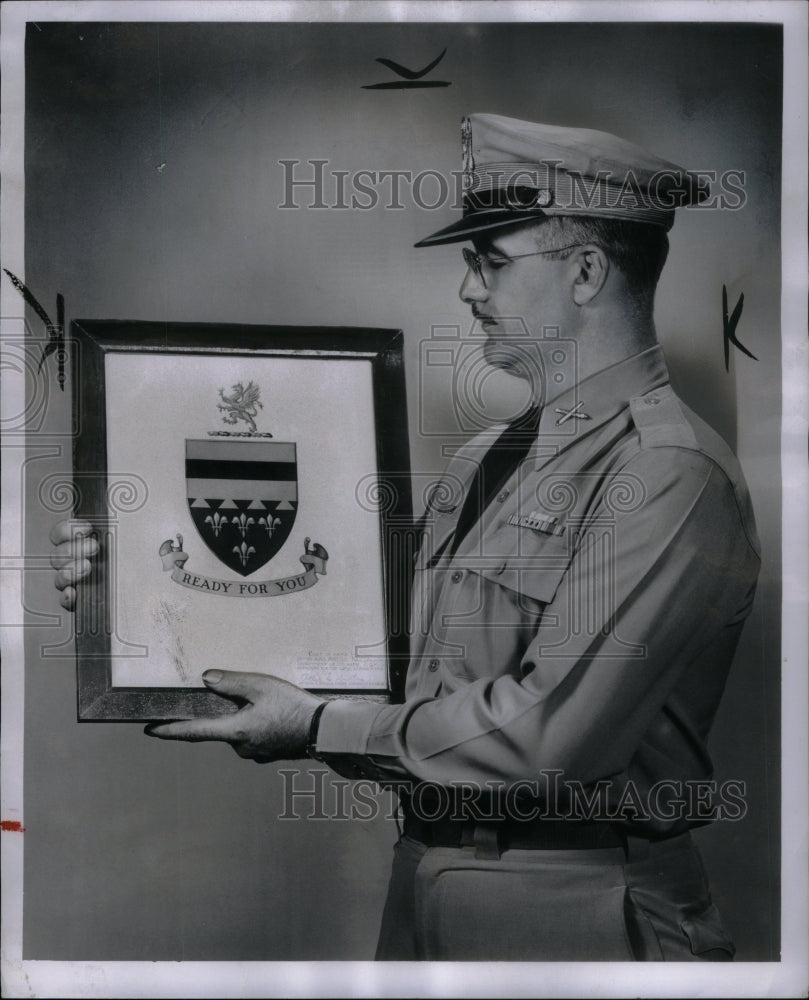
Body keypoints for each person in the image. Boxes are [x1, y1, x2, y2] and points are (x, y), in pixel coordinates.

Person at [51, 114, 761, 961]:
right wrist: (135, 586)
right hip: (427, 877)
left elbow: (548, 745)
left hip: (576, 905)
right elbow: (395, 682)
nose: (469, 290)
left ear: (584, 272)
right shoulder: (481, 462)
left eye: (490, 261)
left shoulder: (667, 473)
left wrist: (316, 725)